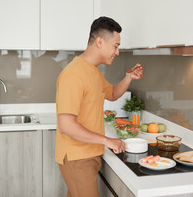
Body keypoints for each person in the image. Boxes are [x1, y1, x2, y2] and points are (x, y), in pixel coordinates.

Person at [55, 16, 144, 197]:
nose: (117, 52)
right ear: (100, 41)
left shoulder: (93, 72)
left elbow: (111, 94)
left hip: (87, 153)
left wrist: (129, 78)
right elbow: (66, 125)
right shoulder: (73, 74)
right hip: (77, 157)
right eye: (116, 46)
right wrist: (107, 140)